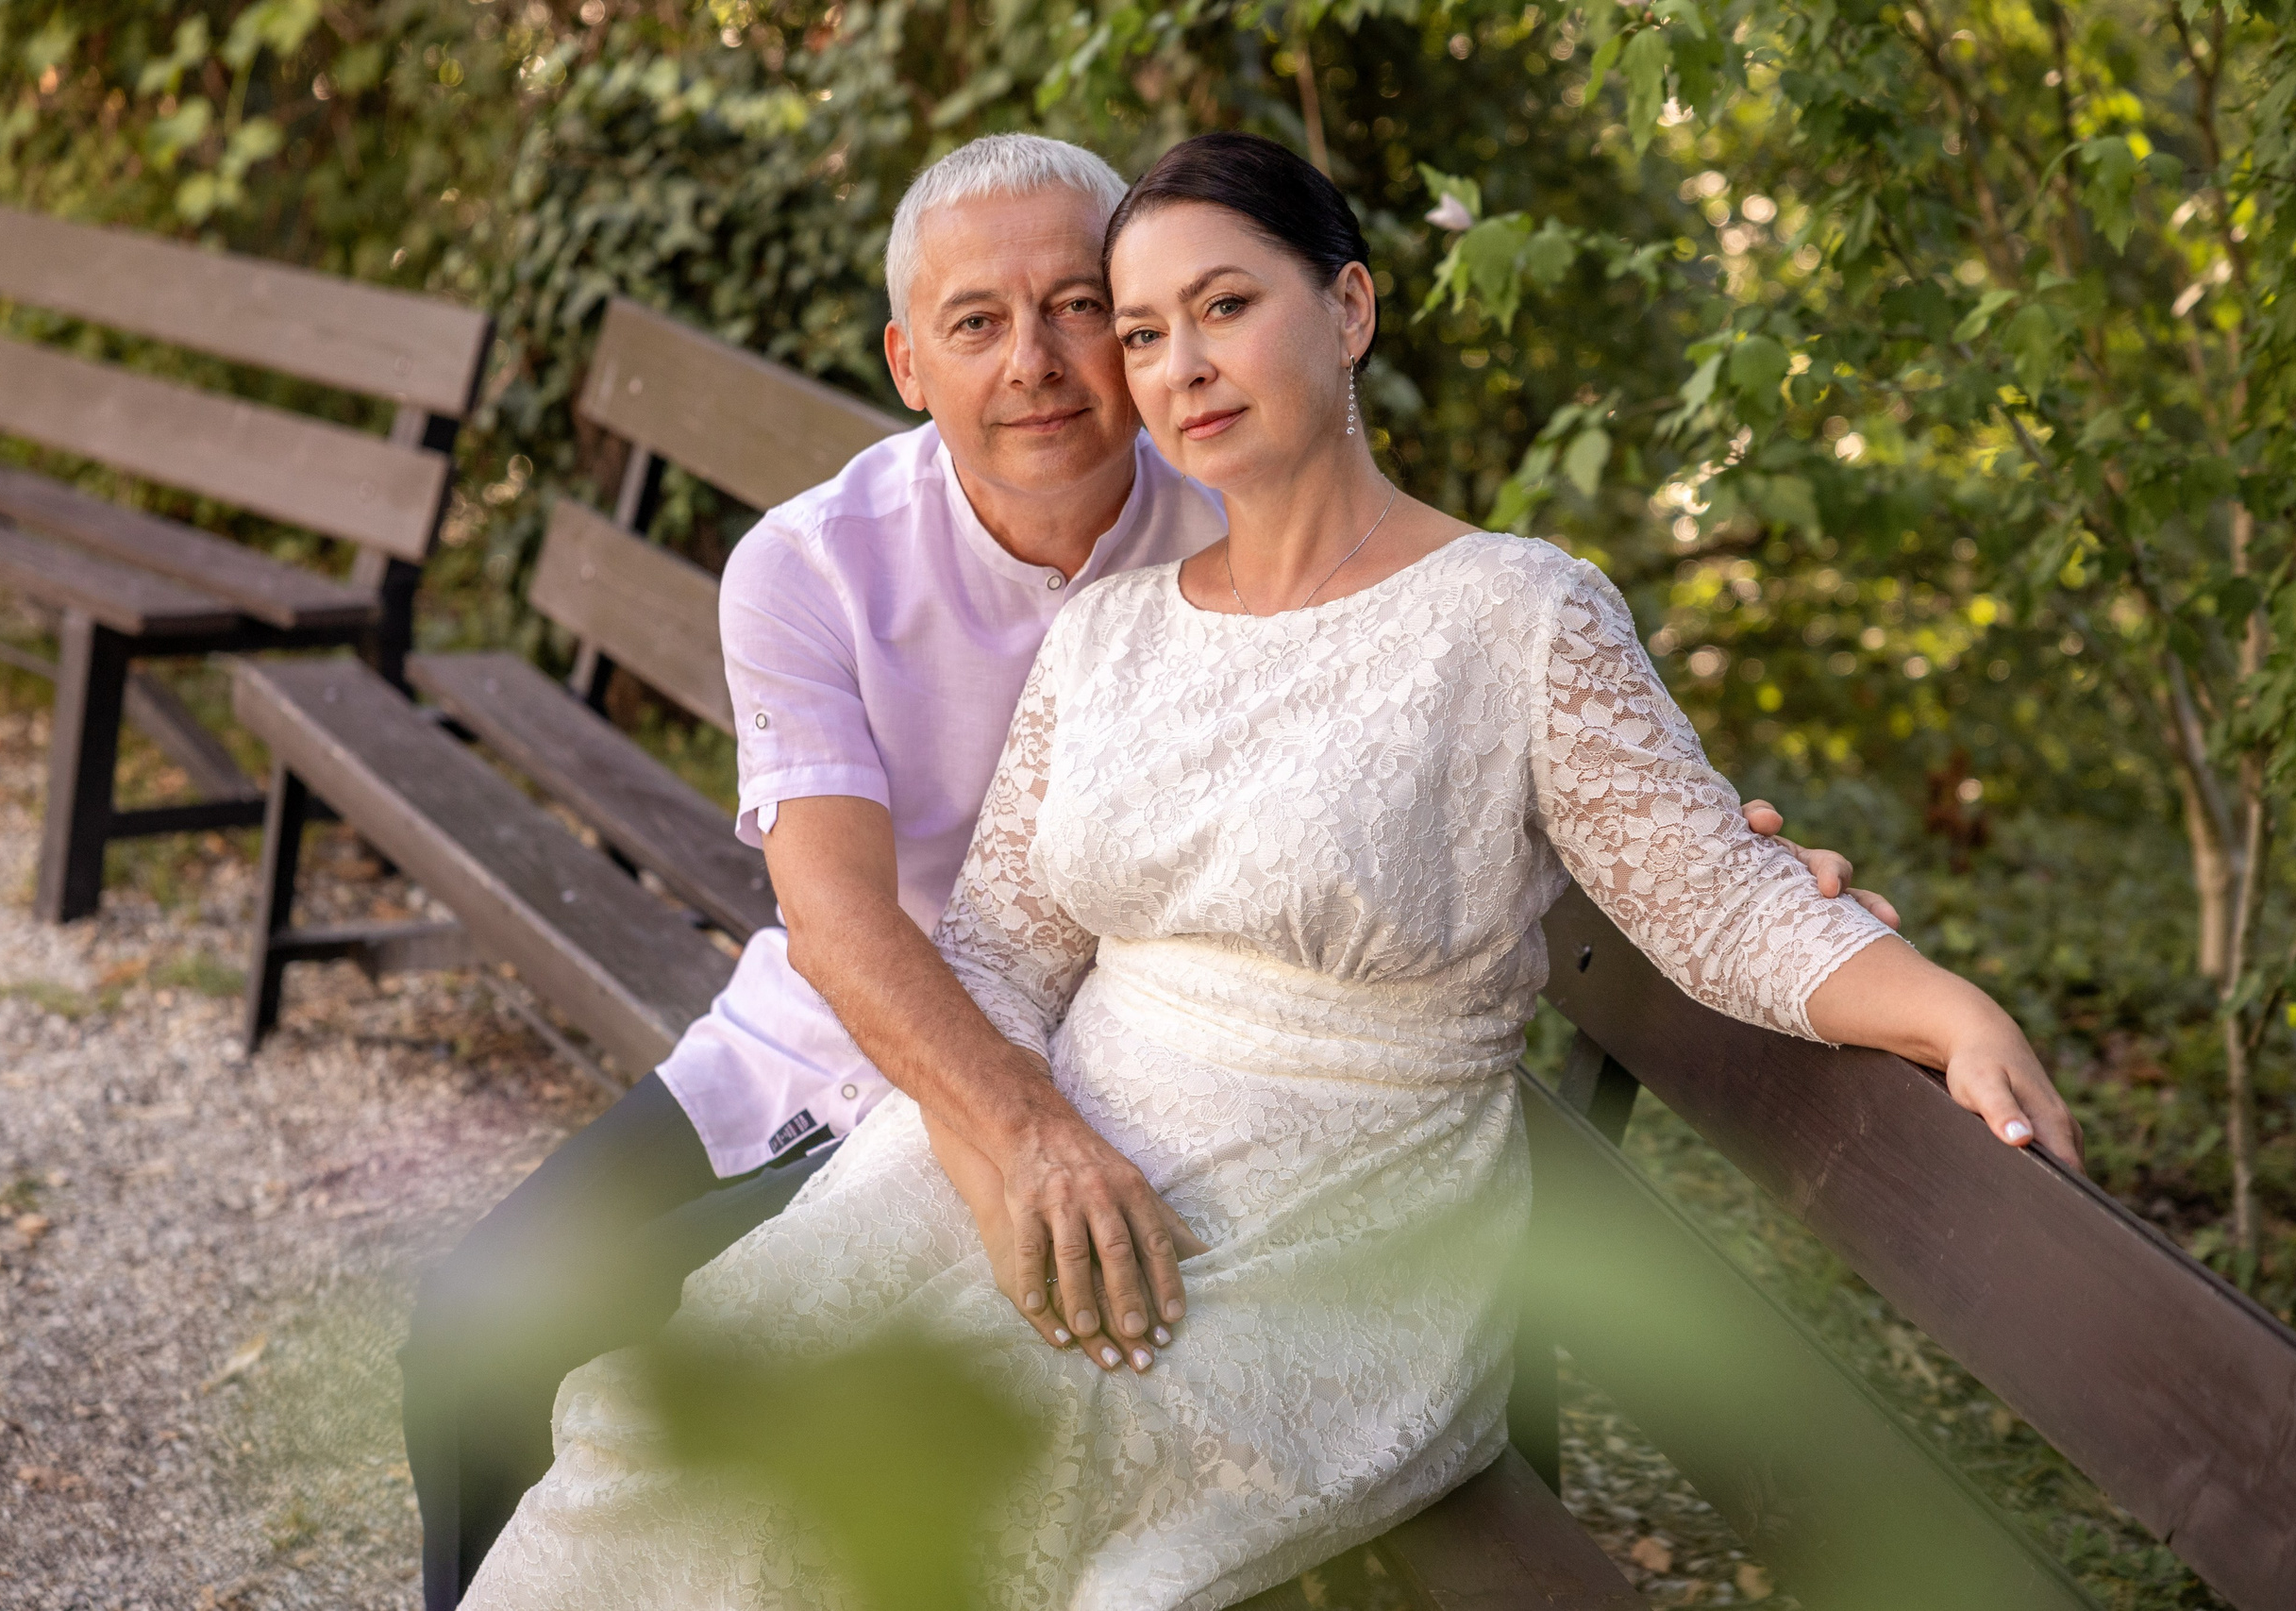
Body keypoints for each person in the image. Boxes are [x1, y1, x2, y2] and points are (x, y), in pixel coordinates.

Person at [459, 132, 2080, 1611]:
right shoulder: (1106, 627)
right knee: (687, 1426)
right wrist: (997, 1168)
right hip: (1041, 1123)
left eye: (1217, 308)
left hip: (1339, 1206)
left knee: (995, 1505)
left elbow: (1709, 891)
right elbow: (1007, 955)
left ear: (1350, 306)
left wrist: (1939, 1005)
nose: (1171, 367)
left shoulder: (1521, 613)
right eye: (1148, 332)